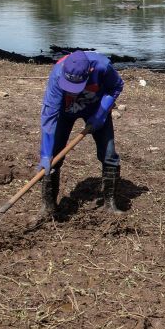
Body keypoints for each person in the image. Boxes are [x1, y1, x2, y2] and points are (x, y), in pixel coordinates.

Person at [37, 50, 125, 221]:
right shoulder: (57, 74)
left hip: (95, 108)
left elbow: (117, 86)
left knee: (109, 155)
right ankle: (48, 206)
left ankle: (110, 204)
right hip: (64, 112)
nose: (72, 91)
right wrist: (46, 153)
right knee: (53, 158)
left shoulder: (102, 66)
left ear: (89, 72)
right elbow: (49, 116)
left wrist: (100, 114)